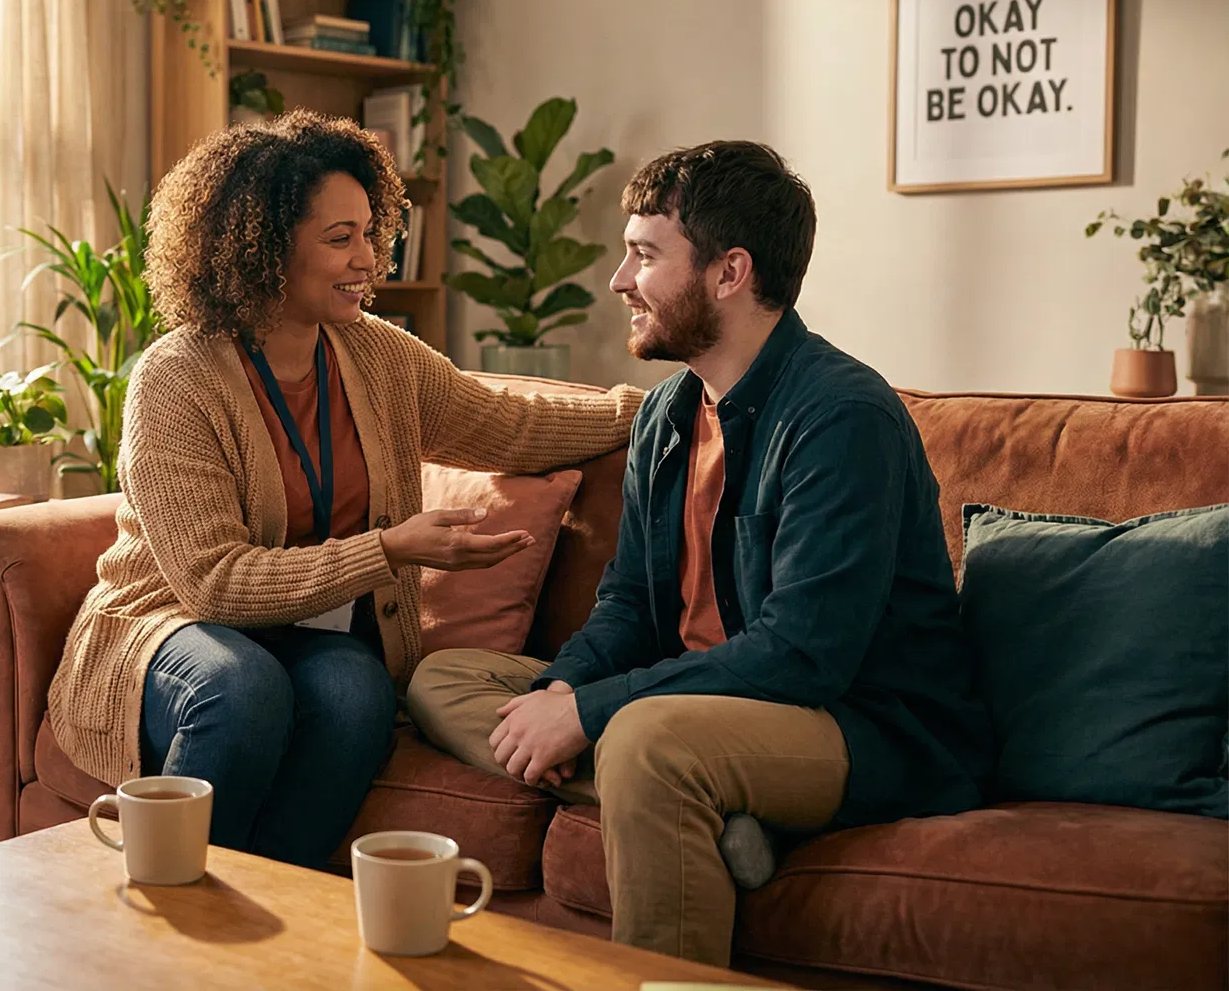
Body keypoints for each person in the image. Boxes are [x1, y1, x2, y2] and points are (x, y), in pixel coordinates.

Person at [407, 140, 990, 966]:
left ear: (729, 272)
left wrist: (590, 715)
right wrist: (565, 688)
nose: (618, 280)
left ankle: (678, 790)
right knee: (447, 679)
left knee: (650, 742)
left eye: (644, 254)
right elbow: (632, 606)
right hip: (702, 705)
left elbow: (803, 656)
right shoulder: (668, 413)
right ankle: (716, 812)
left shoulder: (842, 417)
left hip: (862, 726)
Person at [43, 111, 645, 870]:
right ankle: (171, 919)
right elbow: (213, 584)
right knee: (241, 689)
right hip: (172, 621)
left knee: (359, 697)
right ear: (261, 248)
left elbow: (510, 426)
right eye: (340, 239)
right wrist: (390, 548)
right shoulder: (177, 378)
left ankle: (278, 915)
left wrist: (659, 405)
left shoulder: (379, 356)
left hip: (309, 630)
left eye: (371, 232)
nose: (368, 259)